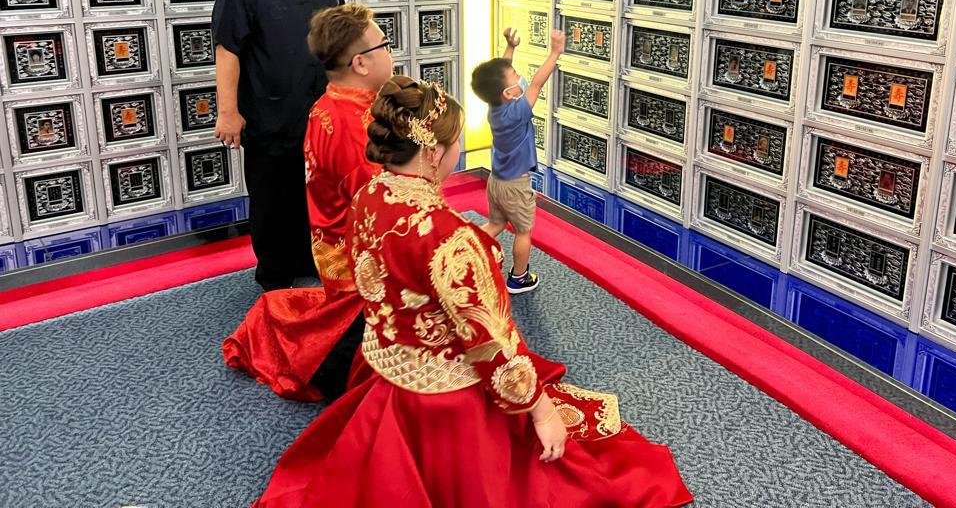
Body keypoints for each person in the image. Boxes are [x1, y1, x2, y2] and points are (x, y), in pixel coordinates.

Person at [252, 77, 693, 507]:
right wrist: (540, 411)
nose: (459, 150)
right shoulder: (452, 239)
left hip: (386, 376)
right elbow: (492, 343)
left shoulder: (369, 193)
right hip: (447, 404)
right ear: (432, 152)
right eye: (457, 141)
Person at [223, 4, 394, 401]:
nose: (392, 53)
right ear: (361, 63)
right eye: (385, 45)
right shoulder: (356, 130)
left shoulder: (328, 103)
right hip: (360, 260)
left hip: (331, 247)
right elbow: (386, 213)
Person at [213, 0, 343, 291]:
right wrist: (227, 112)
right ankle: (275, 276)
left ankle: (316, 264)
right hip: (269, 115)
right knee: (274, 200)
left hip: (321, 113)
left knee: (320, 194)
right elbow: (228, 50)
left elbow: (340, 42)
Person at [470, 26, 564, 294]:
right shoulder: (517, 112)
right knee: (523, 231)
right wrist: (555, 52)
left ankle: (468, 251)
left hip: (496, 181)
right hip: (514, 184)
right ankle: (519, 278)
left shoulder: (495, 106)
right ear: (508, 92)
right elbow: (536, 83)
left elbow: (500, 76)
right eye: (515, 77)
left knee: (496, 223)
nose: (519, 78)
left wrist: (510, 47)